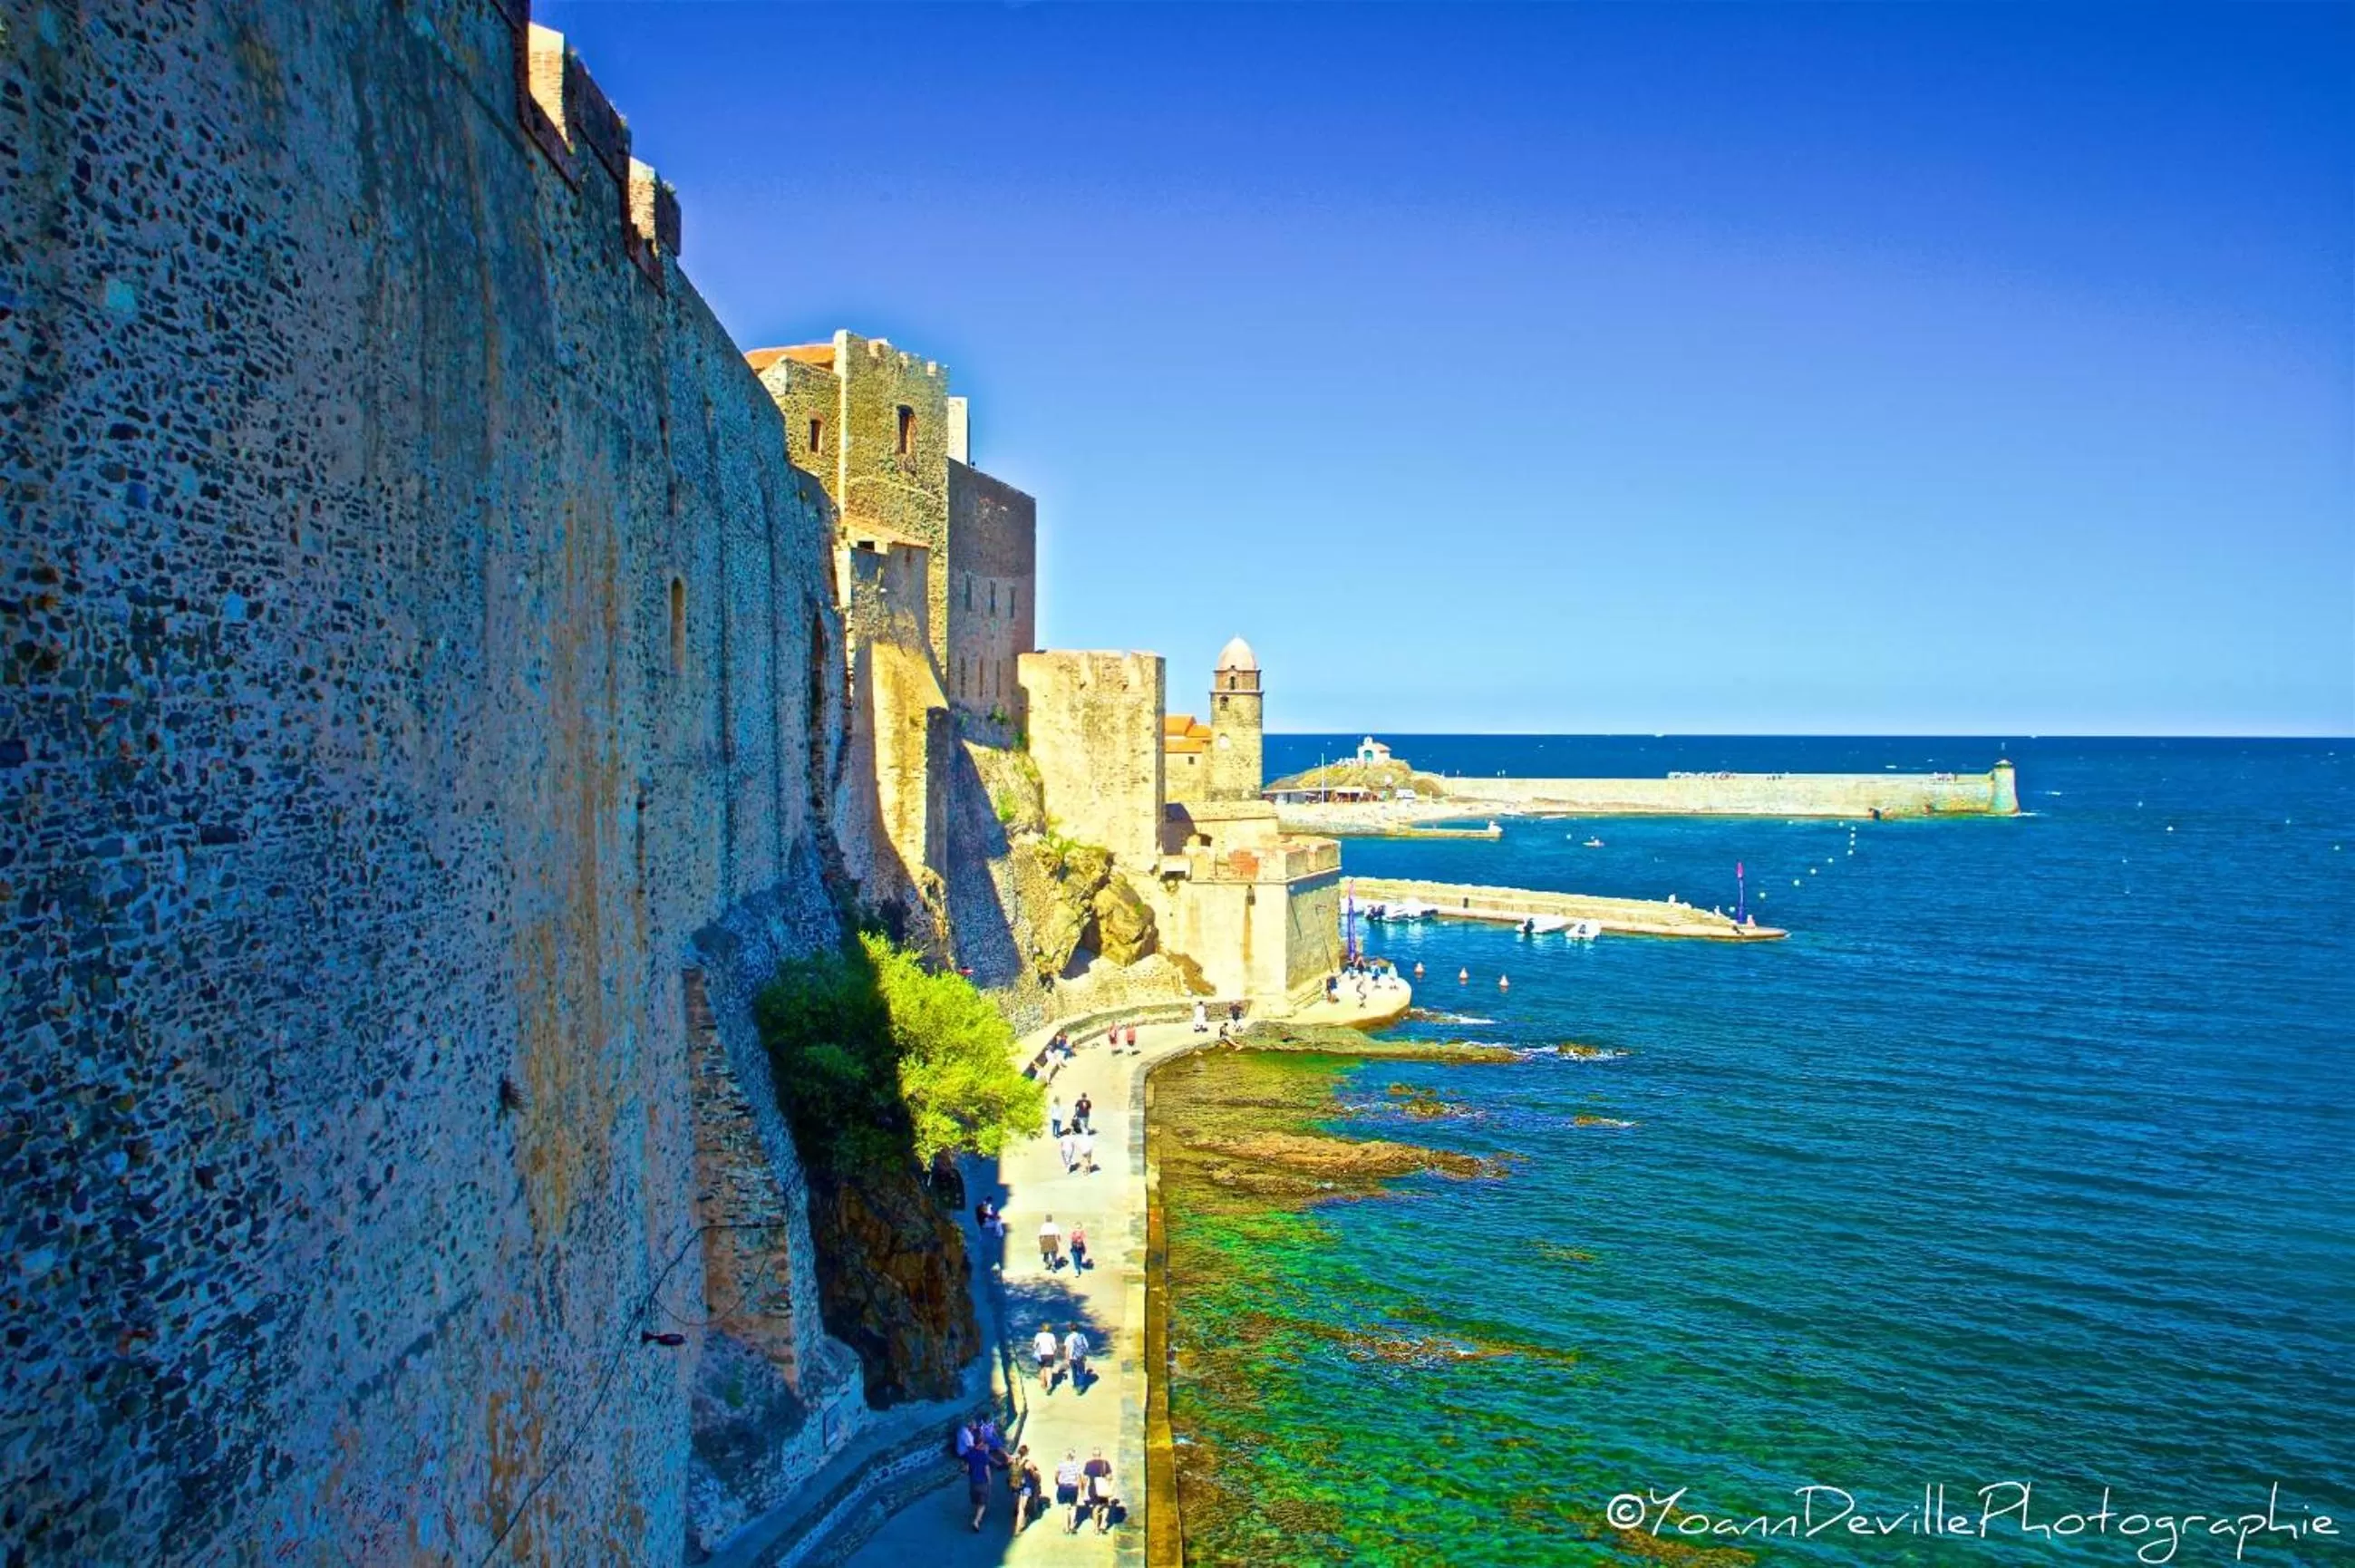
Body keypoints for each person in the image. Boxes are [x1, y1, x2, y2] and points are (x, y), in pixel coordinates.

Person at [964, 1429, 998, 1532]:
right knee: (983, 1504)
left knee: (976, 1500)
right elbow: (987, 1469)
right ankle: (976, 1521)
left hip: (973, 1482)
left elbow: (966, 1469)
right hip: (982, 1482)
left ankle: (978, 1515)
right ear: (981, 1443)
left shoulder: (969, 1454)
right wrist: (990, 1481)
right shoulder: (983, 1455)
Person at [1082, 1447, 1118, 1534]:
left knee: (1095, 1507)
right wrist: (1108, 1480)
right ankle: (1102, 1525)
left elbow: (1085, 1478)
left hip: (1093, 1488)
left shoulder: (1088, 1464)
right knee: (1105, 1506)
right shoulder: (1105, 1463)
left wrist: (1083, 1489)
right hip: (1103, 1488)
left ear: (1093, 1455)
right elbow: (1109, 1477)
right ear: (1100, 1454)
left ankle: (1096, 1528)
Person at [1008, 1445, 1043, 1532]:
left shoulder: (1014, 1461)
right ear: (1026, 1452)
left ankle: (1019, 1520)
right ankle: (1019, 1526)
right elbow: (1034, 1475)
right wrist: (1038, 1478)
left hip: (1016, 1485)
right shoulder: (1028, 1463)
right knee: (1022, 1507)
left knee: (1018, 1504)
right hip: (1026, 1487)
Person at [1054, 1450, 1086, 1533]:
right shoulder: (1076, 1465)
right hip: (1073, 1487)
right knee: (1073, 1506)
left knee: (1065, 1507)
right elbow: (1079, 1477)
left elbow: (1057, 1474)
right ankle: (1072, 1525)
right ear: (1073, 1456)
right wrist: (1082, 1489)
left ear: (1066, 1456)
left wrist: (1057, 1482)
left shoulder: (1061, 1464)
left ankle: (1066, 1527)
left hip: (1063, 1487)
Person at [1063, 1323, 1091, 1393]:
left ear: (1070, 1329)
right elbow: (1086, 1346)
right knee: (1081, 1371)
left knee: (1074, 1371)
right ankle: (1080, 1387)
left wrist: (1066, 1358)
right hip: (1080, 1357)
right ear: (1077, 1329)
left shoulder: (1068, 1337)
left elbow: (1067, 1349)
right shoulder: (1082, 1336)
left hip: (1072, 1357)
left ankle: (1075, 1384)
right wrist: (1083, 1353)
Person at [1032, 1324, 1061, 1393]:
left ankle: (1043, 1383)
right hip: (1049, 1355)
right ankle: (1049, 1385)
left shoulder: (1038, 1335)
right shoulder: (1051, 1336)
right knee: (1048, 1370)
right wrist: (1054, 1351)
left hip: (1041, 1354)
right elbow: (1054, 1347)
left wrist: (1036, 1348)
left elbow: (1034, 1345)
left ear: (1042, 1328)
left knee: (1042, 1369)